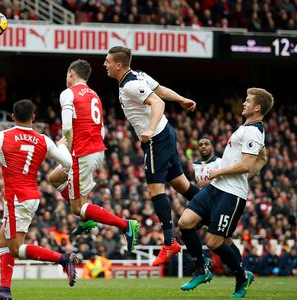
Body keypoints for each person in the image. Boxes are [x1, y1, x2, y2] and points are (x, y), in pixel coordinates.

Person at [0, 99, 80, 300]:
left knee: (14, 248)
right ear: (33, 117)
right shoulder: (43, 140)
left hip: (16, 199)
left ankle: (63, 259)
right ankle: (4, 290)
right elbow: (67, 162)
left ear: (12, 117)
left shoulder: (2, 136)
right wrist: (61, 145)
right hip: (31, 196)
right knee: (2, 242)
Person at [104, 46, 200, 266]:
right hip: (165, 133)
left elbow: (158, 101)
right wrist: (182, 99)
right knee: (181, 185)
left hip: (157, 137)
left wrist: (149, 129)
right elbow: (161, 90)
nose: (105, 64)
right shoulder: (138, 75)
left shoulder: (131, 84)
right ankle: (212, 207)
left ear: (119, 64)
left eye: (107, 61)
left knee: (155, 189)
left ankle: (169, 242)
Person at [178, 88, 272, 298]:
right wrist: (256, 165)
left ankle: (241, 276)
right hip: (216, 188)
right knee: (185, 223)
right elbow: (261, 158)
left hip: (231, 194)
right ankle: (202, 269)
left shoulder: (253, 131)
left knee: (214, 242)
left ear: (257, 107)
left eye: (248, 101)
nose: (244, 103)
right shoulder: (247, 129)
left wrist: (218, 171)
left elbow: (247, 164)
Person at [47, 59, 139, 254]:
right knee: (54, 177)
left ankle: (125, 225)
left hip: (82, 154)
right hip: (95, 150)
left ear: (72, 73)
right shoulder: (94, 95)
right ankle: (86, 219)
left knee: (76, 208)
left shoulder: (68, 94)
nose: (66, 78)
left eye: (67, 74)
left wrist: (65, 145)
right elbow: (101, 129)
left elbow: (66, 127)